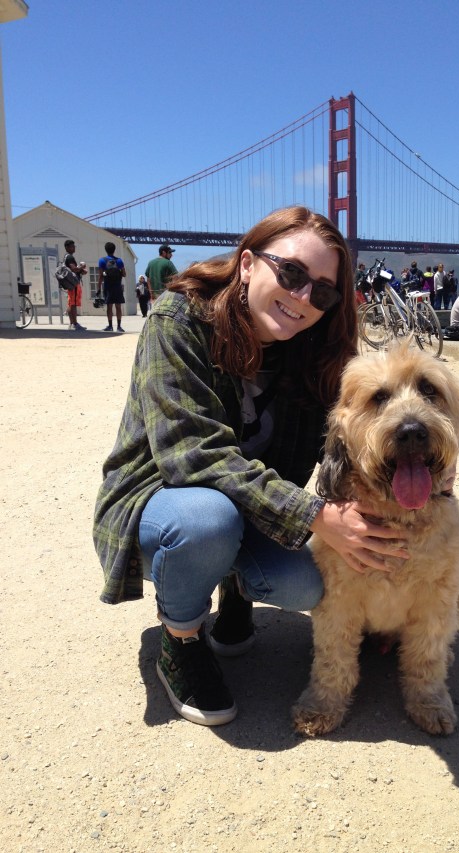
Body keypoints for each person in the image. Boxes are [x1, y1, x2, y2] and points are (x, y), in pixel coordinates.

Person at [93, 206, 413, 728]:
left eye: (324, 291)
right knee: (206, 522)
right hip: (166, 499)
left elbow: (346, 441)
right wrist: (317, 516)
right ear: (246, 264)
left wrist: (412, 475)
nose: (304, 298)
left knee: (311, 584)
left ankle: (237, 589)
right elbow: (193, 453)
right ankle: (181, 637)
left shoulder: (315, 350)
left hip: (260, 509)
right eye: (291, 273)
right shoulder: (177, 321)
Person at [98, 241, 126, 332]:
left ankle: (110, 326)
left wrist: (98, 287)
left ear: (106, 250)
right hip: (117, 286)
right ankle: (119, 326)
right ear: (114, 250)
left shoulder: (102, 260)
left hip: (108, 286)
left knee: (109, 307)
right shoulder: (119, 260)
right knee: (118, 306)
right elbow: (124, 274)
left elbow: (101, 276)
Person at [62, 238, 87, 331]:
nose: (74, 248)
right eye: (72, 246)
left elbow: (74, 269)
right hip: (73, 283)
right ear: (67, 247)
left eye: (74, 246)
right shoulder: (70, 257)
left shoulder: (66, 257)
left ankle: (72, 323)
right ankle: (75, 324)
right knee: (73, 304)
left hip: (69, 283)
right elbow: (74, 269)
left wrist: (81, 270)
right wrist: (82, 266)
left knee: (70, 303)